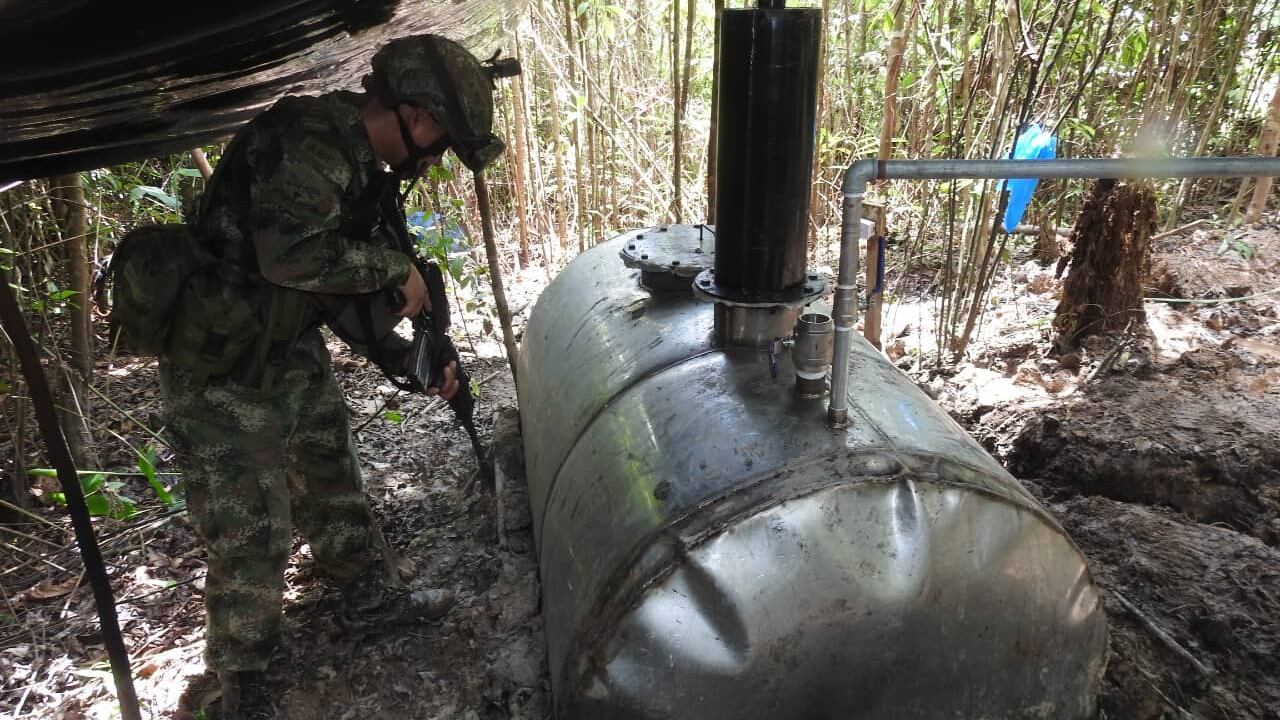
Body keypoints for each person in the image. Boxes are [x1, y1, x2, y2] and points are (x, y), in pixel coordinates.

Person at [159, 34, 514, 719]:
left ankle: (366, 599)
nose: (437, 158)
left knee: (330, 471)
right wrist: (396, 270)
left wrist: (408, 354)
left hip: (284, 342)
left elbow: (338, 287)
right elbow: (289, 256)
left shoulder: (357, 162)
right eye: (441, 141)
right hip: (218, 365)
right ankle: (242, 680)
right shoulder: (311, 142)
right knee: (249, 527)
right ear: (415, 113)